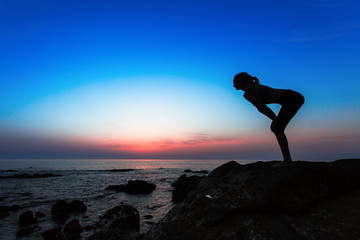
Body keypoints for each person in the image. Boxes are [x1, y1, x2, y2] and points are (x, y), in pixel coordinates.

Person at [233, 72, 304, 163]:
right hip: (291, 99)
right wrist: (274, 119)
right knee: (277, 127)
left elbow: (262, 106)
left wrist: (275, 119)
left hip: (292, 98)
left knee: (277, 128)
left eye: (235, 82)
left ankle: (287, 161)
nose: (233, 85)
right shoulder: (246, 95)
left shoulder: (251, 88)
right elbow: (260, 108)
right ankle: (287, 160)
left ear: (242, 81)